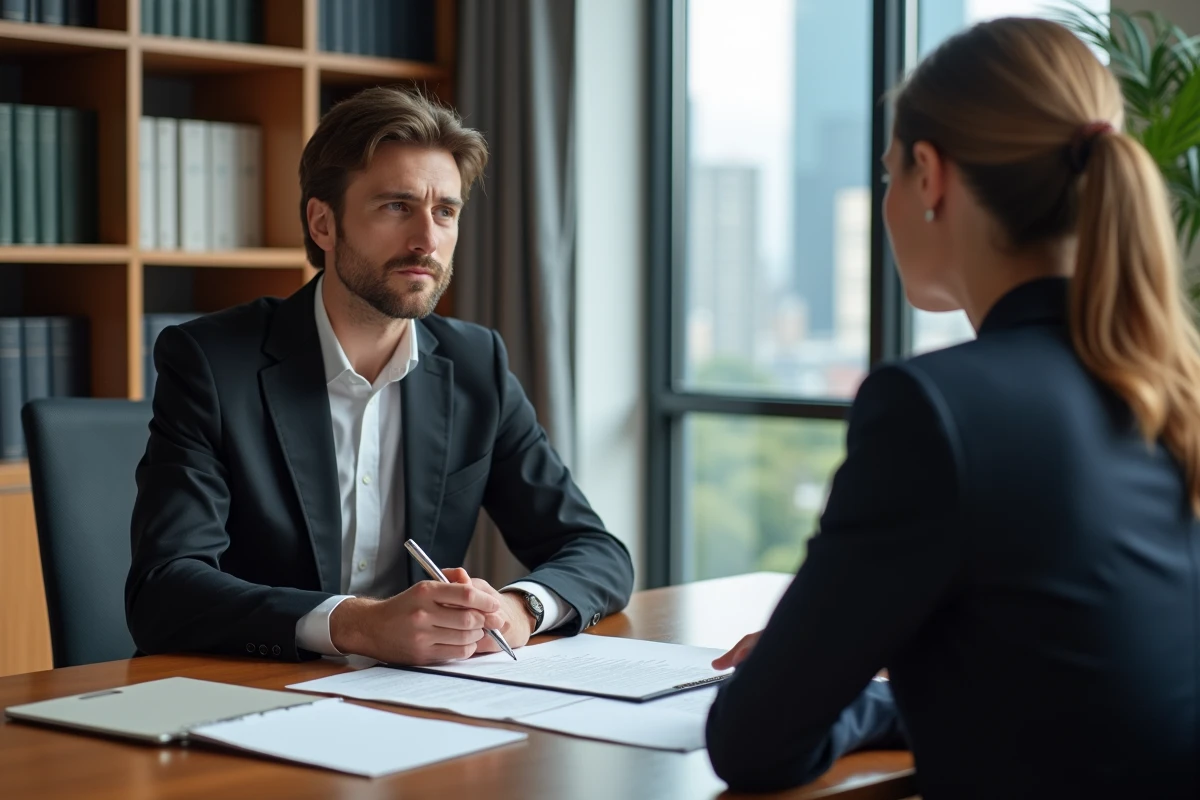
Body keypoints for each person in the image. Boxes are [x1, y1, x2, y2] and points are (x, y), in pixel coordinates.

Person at [705, 17, 1200, 799]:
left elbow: (754, 741)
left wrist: (862, 693)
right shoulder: (1172, 389)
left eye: (888, 174)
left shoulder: (935, 408)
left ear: (929, 176)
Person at [126, 88, 633, 666]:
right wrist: (357, 625)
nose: (427, 238)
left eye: (445, 210)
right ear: (323, 223)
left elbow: (596, 552)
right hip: (257, 694)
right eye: (396, 206)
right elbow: (163, 590)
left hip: (416, 700)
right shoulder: (213, 362)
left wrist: (521, 608)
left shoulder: (475, 365)